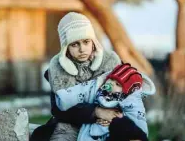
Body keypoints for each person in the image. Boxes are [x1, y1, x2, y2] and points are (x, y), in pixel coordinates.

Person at [30, 12, 123, 141]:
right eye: (74, 44)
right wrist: (96, 112)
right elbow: (60, 110)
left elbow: (125, 95)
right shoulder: (57, 68)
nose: (82, 49)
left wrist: (113, 114)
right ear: (66, 48)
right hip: (69, 125)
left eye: (86, 42)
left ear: (93, 42)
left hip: (108, 122)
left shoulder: (110, 62)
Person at [55, 63, 155, 141]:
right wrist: (64, 98)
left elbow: (138, 123)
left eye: (117, 84)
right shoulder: (98, 90)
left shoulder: (130, 101)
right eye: (110, 79)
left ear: (127, 92)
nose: (111, 84)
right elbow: (83, 90)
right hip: (90, 132)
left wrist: (119, 118)